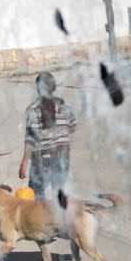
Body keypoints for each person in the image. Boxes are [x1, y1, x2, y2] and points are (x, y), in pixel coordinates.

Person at [18, 72, 77, 200]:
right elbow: (72, 133)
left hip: (41, 162)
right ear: (54, 88)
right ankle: (60, 219)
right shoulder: (66, 109)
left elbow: (30, 140)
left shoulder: (32, 110)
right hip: (62, 159)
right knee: (60, 199)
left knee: (37, 196)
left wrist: (24, 163)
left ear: (38, 89)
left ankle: (43, 220)